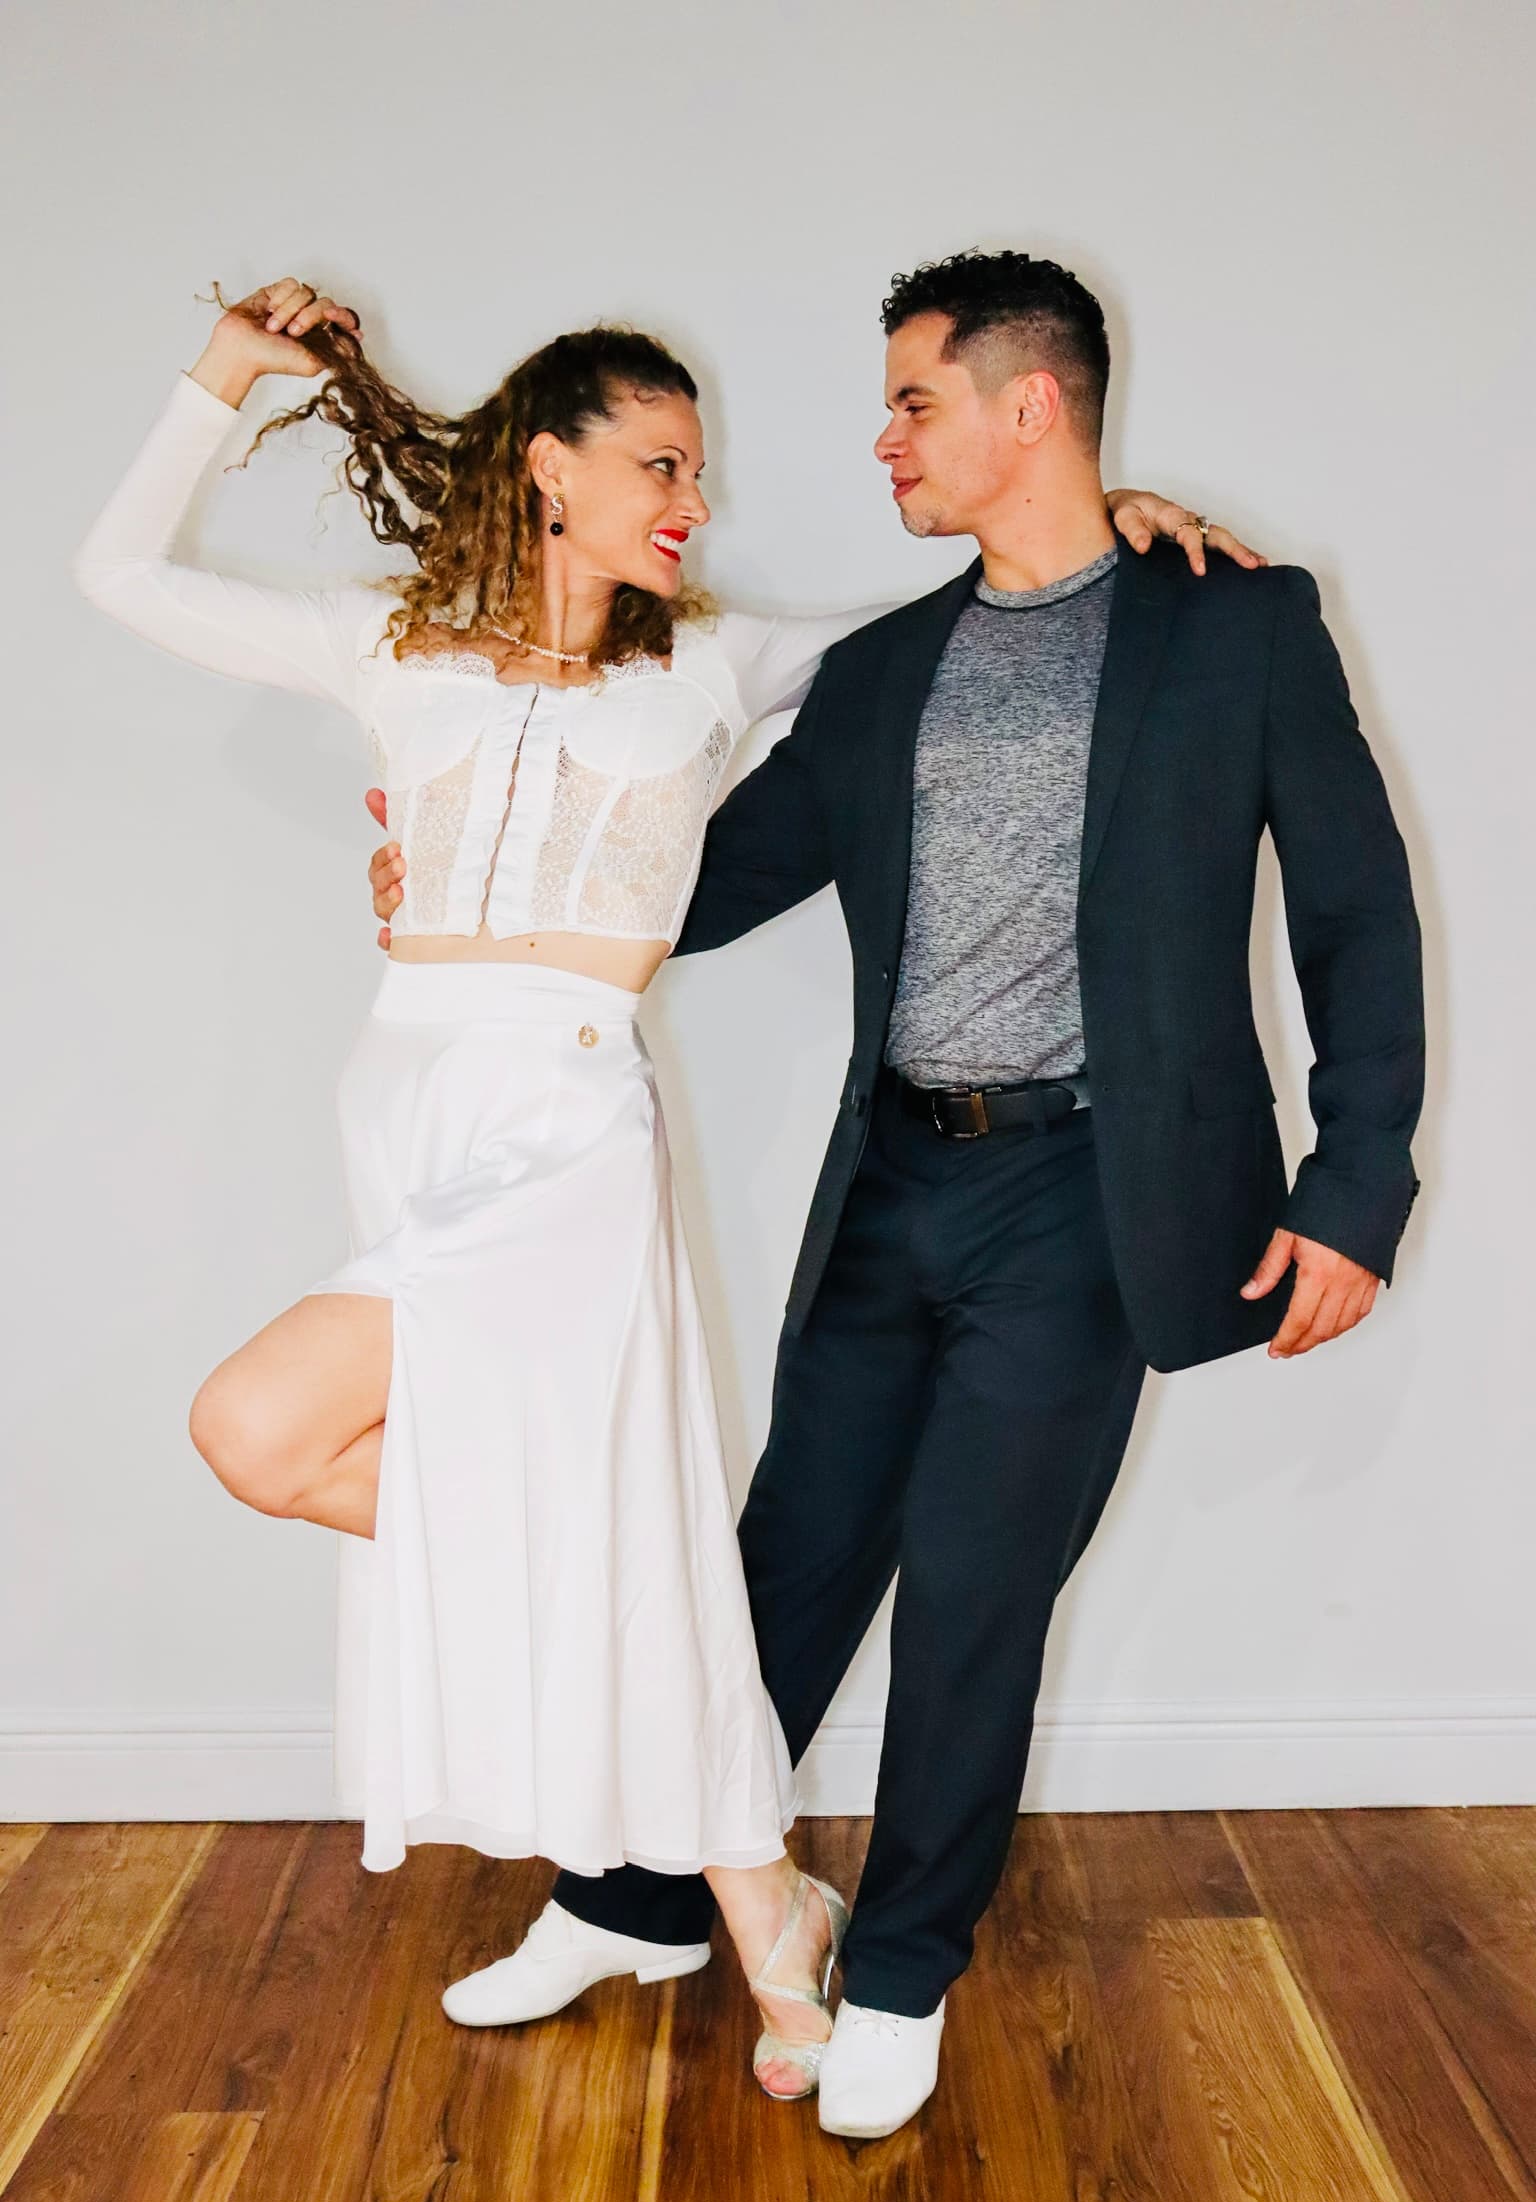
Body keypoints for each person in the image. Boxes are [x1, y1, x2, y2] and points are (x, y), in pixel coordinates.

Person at [72, 273, 1245, 2104]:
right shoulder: (392, 641)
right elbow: (120, 578)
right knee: (513, 1520)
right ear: (551, 468)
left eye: (698, 464)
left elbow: (978, 607)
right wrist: (218, 375)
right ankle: (759, 1904)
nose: (693, 493)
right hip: (410, 1121)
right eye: (661, 460)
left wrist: (1120, 526)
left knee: (264, 1428)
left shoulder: (718, 661)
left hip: (568, 1133)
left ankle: (714, 1890)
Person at [371, 249, 1424, 2139]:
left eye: (912, 403)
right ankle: (641, 1900)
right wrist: (475, 882)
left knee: (975, 1590)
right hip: (891, 1187)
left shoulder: (1239, 628)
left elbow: (1357, 918)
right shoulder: (881, 670)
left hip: (1093, 1196)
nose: (881, 441)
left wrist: (1355, 1192)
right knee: (782, 1562)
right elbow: (686, 882)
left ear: (1032, 407)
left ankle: (908, 1970)